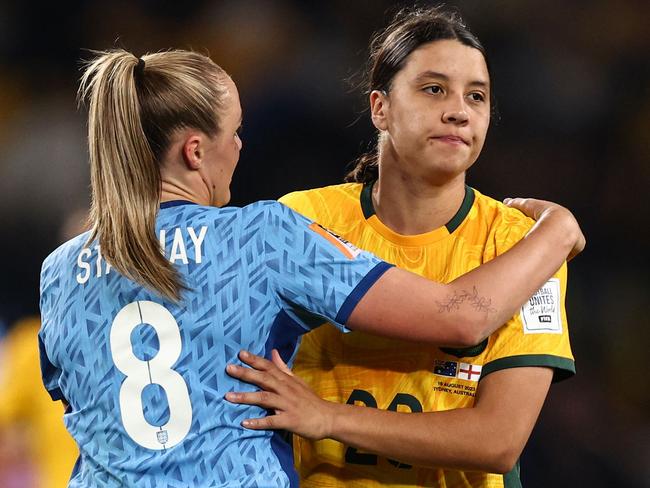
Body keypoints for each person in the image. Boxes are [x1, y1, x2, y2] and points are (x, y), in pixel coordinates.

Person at [38, 48, 582, 487]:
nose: (242, 146)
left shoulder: (59, 270)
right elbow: (459, 317)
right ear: (197, 152)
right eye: (235, 132)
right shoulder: (267, 234)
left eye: (477, 95)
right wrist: (557, 229)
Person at [225, 6, 580, 488]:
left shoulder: (522, 244)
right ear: (380, 108)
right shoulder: (303, 221)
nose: (458, 110)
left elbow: (498, 440)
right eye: (434, 89)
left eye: (476, 96)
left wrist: (327, 417)